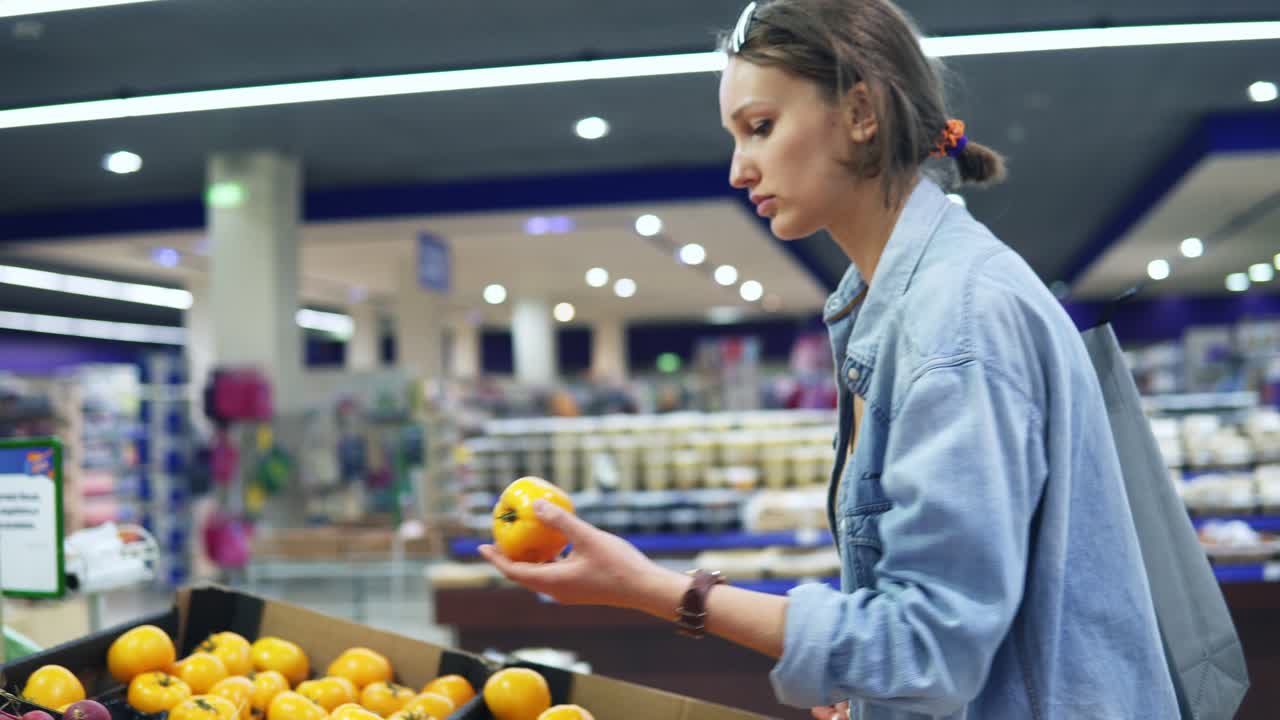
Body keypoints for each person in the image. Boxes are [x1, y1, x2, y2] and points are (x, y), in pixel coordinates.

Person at [480, 1, 1180, 718]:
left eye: (760, 127)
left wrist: (658, 589)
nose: (736, 169)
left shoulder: (955, 324)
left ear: (860, 112)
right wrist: (866, 689)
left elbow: (926, 649)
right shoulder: (899, 302)